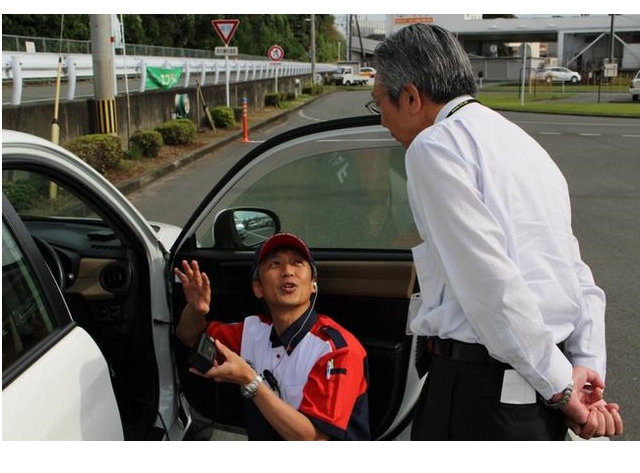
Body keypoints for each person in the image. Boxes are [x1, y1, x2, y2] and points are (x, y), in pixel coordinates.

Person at [370, 23, 623, 440]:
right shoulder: (525, 146)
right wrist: (585, 368)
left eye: (379, 102)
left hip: (481, 398)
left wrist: (564, 389)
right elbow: (576, 274)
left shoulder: (434, 148)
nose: (381, 119)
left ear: (412, 97)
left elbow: (492, 288)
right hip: (535, 399)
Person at [174, 232, 370, 440]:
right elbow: (189, 336)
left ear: (314, 284)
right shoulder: (252, 331)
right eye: (275, 264)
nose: (287, 271)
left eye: (298, 263)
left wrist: (250, 380)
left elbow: (314, 440)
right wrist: (196, 309)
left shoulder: (337, 349)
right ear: (258, 288)